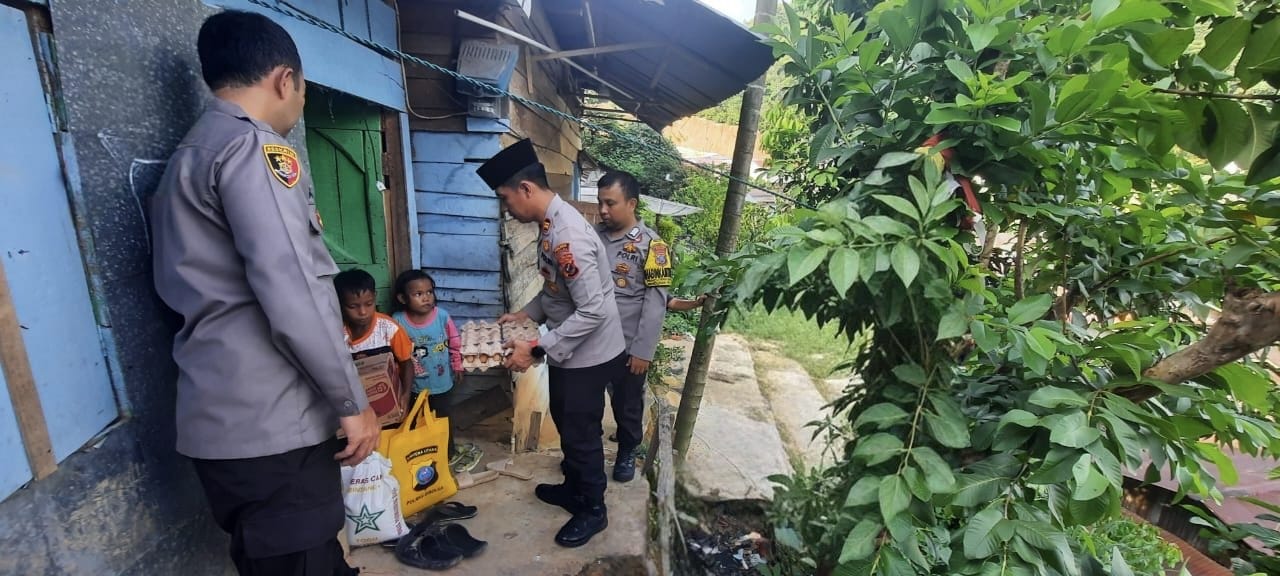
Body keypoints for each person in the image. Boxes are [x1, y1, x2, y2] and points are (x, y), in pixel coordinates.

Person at [150, 10, 377, 576]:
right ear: (284, 80)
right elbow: (294, 291)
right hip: (276, 426)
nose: (300, 105)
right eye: (303, 91)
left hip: (223, 420)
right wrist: (353, 404)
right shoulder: (257, 150)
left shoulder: (191, 154)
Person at [478, 139, 627, 548]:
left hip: (590, 354)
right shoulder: (549, 227)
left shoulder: (567, 237)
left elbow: (592, 311)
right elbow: (554, 293)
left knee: (580, 431)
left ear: (526, 189)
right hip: (571, 349)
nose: (507, 209)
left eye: (506, 199)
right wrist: (525, 314)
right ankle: (574, 488)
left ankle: (593, 509)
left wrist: (537, 348)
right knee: (566, 421)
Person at [593, 171, 672, 483]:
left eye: (610, 203)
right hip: (590, 343)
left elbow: (656, 301)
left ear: (631, 203)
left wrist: (643, 350)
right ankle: (589, 453)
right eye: (600, 203)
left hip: (627, 346)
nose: (602, 210)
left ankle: (627, 450)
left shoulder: (655, 247)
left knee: (627, 403)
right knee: (586, 402)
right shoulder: (592, 237)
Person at [390, 269, 482, 473]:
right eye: (418, 294)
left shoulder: (441, 316)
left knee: (443, 419)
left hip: (442, 383)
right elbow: (394, 353)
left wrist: (457, 364)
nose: (426, 298)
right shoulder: (398, 321)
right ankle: (420, 453)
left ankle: (446, 453)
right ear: (402, 298)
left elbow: (454, 342)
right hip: (414, 386)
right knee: (415, 420)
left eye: (429, 292)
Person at [333, 269, 414, 396]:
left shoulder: (389, 328)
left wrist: (405, 395)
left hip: (389, 395)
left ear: (375, 297)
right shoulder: (335, 332)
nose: (363, 312)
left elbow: (407, 363)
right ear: (339, 303)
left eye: (369, 304)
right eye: (353, 307)